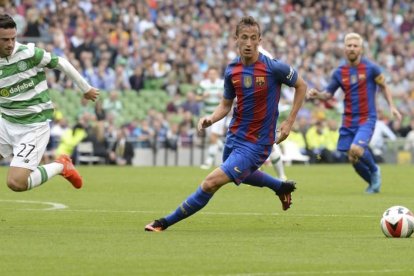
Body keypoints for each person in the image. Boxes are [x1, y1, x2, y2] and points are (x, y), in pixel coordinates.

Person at [145, 16, 307, 232]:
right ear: (236, 40)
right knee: (242, 174)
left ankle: (164, 222)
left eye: (253, 38)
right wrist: (210, 119)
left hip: (258, 142)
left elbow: (302, 86)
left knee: (211, 182)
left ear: (260, 40)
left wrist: (288, 123)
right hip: (235, 136)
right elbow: (225, 104)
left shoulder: (274, 68)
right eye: (244, 38)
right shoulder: (232, 70)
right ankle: (280, 186)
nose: (248, 43)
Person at [0, 14, 99, 192]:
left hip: (33, 127)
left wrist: (85, 88)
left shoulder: (28, 53)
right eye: (5, 39)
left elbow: (61, 62)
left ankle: (61, 165)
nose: (10, 44)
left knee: (16, 183)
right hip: (6, 123)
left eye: (13, 38)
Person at [307, 32, 402, 193]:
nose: (352, 48)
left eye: (355, 46)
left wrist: (392, 106)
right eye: (349, 46)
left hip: (367, 117)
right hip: (348, 119)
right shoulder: (339, 72)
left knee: (356, 149)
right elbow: (329, 94)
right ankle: (372, 183)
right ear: (344, 49)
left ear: (361, 49)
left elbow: (384, 86)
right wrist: (318, 94)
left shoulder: (371, 68)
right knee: (352, 157)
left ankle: (375, 170)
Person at [198, 66, 226, 170]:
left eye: (214, 73)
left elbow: (230, 97)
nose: (212, 75)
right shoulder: (203, 84)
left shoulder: (222, 83)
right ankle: (227, 151)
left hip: (219, 115)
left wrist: (222, 96)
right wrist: (203, 97)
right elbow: (197, 97)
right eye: (210, 74)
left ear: (217, 74)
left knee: (213, 137)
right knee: (213, 139)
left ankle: (208, 162)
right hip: (207, 114)